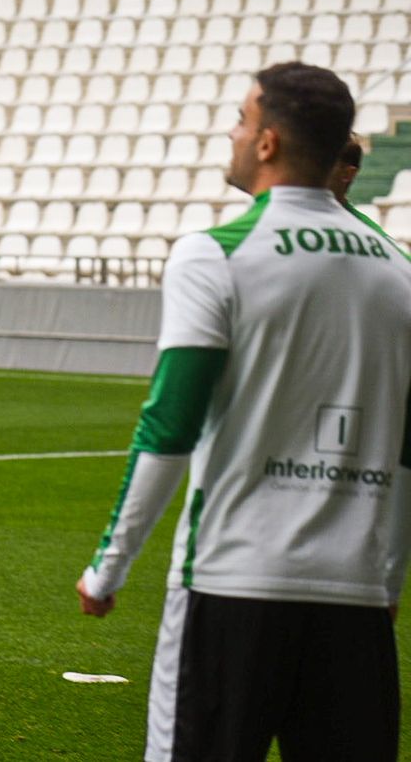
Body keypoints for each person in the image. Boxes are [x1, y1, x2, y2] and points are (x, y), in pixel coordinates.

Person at [77, 63, 411, 762]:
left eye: (241, 120)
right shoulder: (400, 271)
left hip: (233, 581)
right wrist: (386, 578)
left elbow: (169, 426)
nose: (232, 134)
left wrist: (109, 569)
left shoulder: (215, 257)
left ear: (267, 143)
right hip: (354, 596)